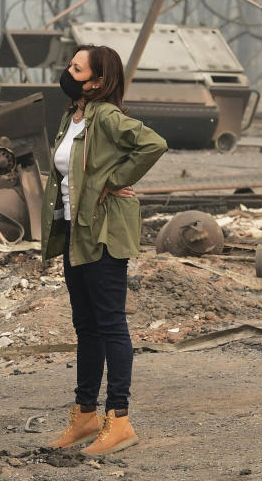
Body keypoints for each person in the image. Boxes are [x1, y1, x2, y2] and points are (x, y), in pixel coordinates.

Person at [40, 44, 167, 456]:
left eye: (76, 68)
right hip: (77, 234)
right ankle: (85, 416)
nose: (67, 71)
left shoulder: (108, 117)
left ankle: (120, 420)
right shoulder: (72, 117)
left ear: (95, 81)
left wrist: (116, 178)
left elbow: (153, 144)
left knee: (110, 323)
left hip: (105, 232)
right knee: (86, 326)